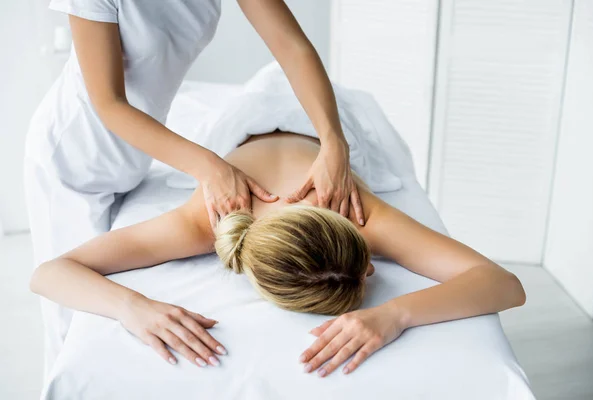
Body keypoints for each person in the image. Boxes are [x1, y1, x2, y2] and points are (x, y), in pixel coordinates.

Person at [24, 0, 362, 374]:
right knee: (71, 326)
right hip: (73, 156)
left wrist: (334, 142)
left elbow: (292, 46)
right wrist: (210, 167)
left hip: (137, 155)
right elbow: (109, 104)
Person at [30, 131, 526, 377]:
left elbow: (505, 284)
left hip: (329, 129)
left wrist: (395, 314)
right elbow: (50, 273)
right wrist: (129, 307)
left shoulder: (358, 211)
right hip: (243, 131)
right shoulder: (205, 219)